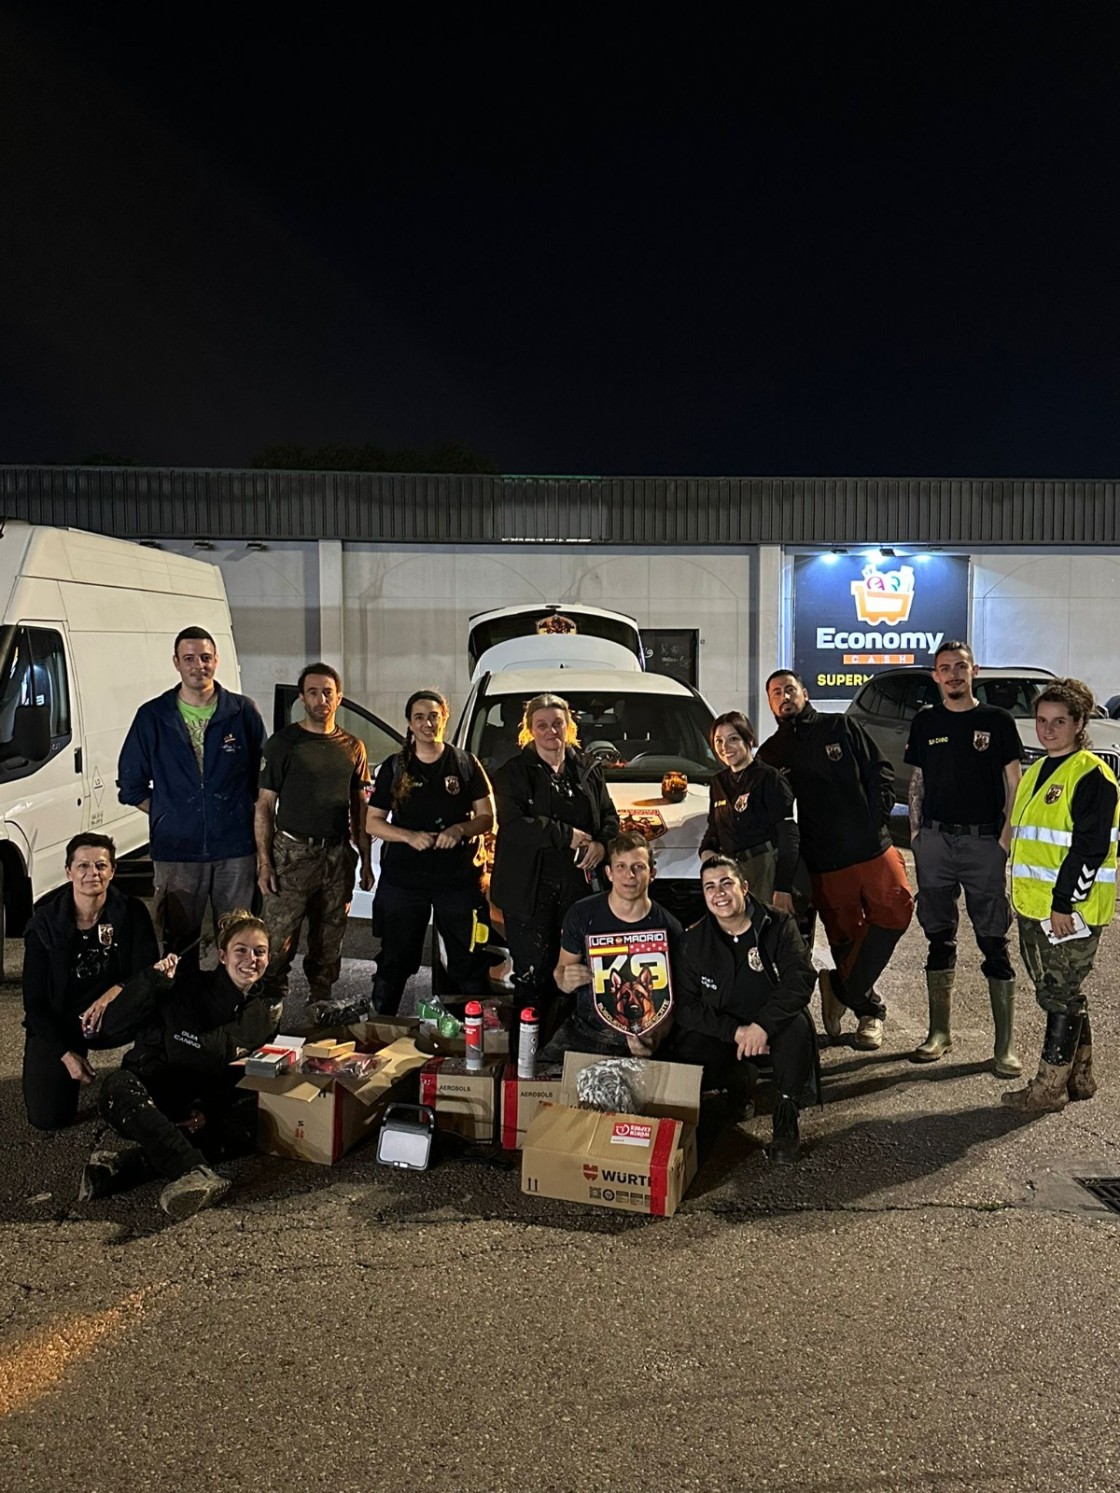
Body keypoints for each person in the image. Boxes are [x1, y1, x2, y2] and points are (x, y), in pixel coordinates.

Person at [79, 910, 280, 1219]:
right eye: (241, 950)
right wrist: (149, 982)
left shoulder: (261, 1016)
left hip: (194, 1105)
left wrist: (207, 1112)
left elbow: (236, 1075)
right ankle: (193, 1170)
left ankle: (121, 1168)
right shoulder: (186, 987)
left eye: (259, 951)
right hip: (150, 1095)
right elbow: (115, 1027)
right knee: (115, 1087)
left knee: (258, 1123)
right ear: (223, 956)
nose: (250, 959)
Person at [757, 669, 913, 1050]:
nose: (784, 697)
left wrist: (877, 814)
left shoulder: (840, 726)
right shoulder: (771, 754)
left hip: (871, 847)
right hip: (824, 862)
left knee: (897, 909)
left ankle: (840, 986)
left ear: (805, 692)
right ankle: (869, 1013)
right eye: (776, 693)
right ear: (770, 703)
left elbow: (880, 770)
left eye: (789, 689)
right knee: (847, 939)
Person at [117, 626, 266, 977]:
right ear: (176, 663)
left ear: (216, 660)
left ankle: (231, 1010)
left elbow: (263, 780)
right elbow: (132, 786)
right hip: (176, 853)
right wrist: (173, 812)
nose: (198, 665)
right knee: (178, 942)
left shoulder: (242, 712)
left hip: (235, 848)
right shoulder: (153, 717)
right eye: (189, 659)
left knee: (238, 938)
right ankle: (181, 1015)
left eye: (205, 658)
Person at [906, 641, 1023, 1074]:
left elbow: (1015, 783)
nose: (953, 674)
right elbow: (916, 781)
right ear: (935, 676)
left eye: (960, 666)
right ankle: (939, 1034)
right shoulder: (925, 722)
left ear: (974, 670)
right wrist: (917, 837)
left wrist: (1004, 842)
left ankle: (1004, 1047)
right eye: (944, 668)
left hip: (983, 844)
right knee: (939, 936)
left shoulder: (997, 721)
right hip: (936, 843)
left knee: (994, 940)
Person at [1003, 679, 1118, 1112]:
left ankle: (1048, 1088)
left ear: (1080, 723)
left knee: (1058, 994)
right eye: (1042, 720)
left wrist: (1064, 904)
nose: (1048, 729)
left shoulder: (1091, 775)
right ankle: (1080, 1077)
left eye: (1059, 722)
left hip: (1070, 910)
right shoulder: (1037, 770)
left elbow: (1091, 847)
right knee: (1062, 991)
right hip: (1036, 904)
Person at [490, 693, 620, 1044]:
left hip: (578, 892)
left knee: (577, 977)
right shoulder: (513, 773)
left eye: (557, 723)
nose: (551, 731)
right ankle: (525, 1062)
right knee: (534, 978)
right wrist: (568, 835)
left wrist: (600, 845)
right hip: (529, 892)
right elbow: (514, 825)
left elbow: (609, 815)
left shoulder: (588, 769)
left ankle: (566, 1055)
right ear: (529, 731)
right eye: (542, 725)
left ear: (569, 727)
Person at [672, 857, 816, 1163]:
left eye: (726, 883)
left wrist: (762, 1026)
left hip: (771, 1025)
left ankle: (786, 1117)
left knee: (797, 1030)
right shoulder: (693, 941)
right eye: (709, 886)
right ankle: (737, 1083)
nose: (719, 893)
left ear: (745, 887)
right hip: (729, 1030)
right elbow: (685, 1006)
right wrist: (735, 1032)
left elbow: (799, 980)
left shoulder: (778, 925)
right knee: (689, 1047)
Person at [367, 689, 495, 1013]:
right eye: (419, 717)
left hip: (458, 881)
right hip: (404, 881)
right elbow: (373, 823)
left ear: (445, 717)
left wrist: (459, 829)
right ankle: (381, 1030)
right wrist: (408, 836)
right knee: (395, 961)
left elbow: (487, 816)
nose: (427, 724)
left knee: (469, 962)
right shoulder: (395, 768)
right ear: (410, 723)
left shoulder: (465, 764)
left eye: (433, 716)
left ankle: (474, 1038)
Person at [21, 833, 160, 1130]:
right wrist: (65, 1054)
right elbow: (34, 1005)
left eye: (100, 865)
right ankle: (68, 1063)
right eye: (82, 866)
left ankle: (145, 1075)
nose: (92, 873)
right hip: (62, 1021)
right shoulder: (44, 925)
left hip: (114, 1015)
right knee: (47, 1119)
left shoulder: (132, 912)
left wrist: (112, 992)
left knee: (159, 994)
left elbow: (145, 975)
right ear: (68, 872)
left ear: (112, 871)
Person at [255, 663, 373, 1006]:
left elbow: (359, 808)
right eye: (313, 692)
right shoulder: (283, 744)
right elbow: (264, 807)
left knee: (330, 938)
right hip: (293, 855)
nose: (321, 699)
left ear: (339, 697)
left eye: (327, 692)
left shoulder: (353, 747)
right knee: (276, 940)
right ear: (302, 698)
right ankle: (267, 1010)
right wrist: (265, 863)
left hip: (337, 857)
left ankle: (319, 1005)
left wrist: (365, 860)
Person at [550, 831, 683, 1059]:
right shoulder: (581, 914)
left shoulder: (669, 928)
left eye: (638, 867)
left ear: (652, 873)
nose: (629, 875)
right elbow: (560, 973)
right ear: (609, 873)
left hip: (643, 1035)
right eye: (620, 866)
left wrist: (654, 1040)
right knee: (537, 1082)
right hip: (586, 1031)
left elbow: (675, 1001)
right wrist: (564, 980)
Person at [700, 710, 798, 911]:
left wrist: (783, 887)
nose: (725, 747)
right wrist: (706, 851)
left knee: (767, 933)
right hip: (731, 872)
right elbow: (714, 828)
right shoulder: (718, 782)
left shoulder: (769, 779)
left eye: (733, 739)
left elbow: (789, 836)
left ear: (749, 739)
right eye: (718, 741)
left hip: (764, 868)